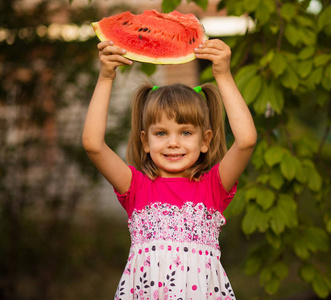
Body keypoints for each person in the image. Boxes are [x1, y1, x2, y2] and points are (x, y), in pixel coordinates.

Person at [82, 38, 257, 300]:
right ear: (145, 141)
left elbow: (246, 141)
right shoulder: (136, 187)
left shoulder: (212, 187)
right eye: (161, 133)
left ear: (205, 141)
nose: (173, 142)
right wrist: (106, 77)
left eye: (186, 132)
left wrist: (224, 75)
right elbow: (93, 145)